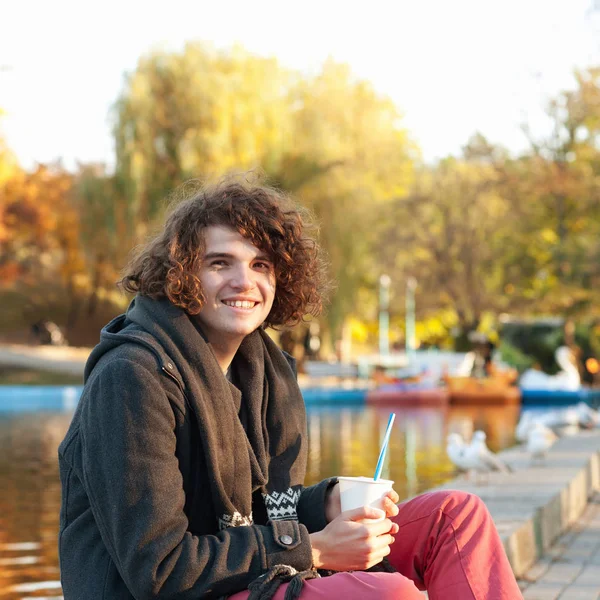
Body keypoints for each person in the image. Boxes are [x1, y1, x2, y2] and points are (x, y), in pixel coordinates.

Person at [58, 175, 523, 599]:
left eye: (261, 264)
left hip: (246, 575)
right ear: (183, 276)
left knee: (455, 516)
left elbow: (256, 509)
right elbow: (160, 570)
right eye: (221, 262)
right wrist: (314, 550)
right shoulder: (132, 378)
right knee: (386, 595)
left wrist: (325, 502)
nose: (245, 281)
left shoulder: (261, 370)